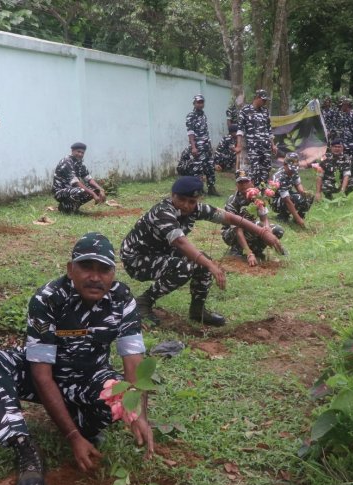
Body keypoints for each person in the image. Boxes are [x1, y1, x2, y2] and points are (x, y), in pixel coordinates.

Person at [0, 232, 154, 485]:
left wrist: (138, 412)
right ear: (71, 270)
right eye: (86, 267)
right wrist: (71, 437)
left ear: (113, 273)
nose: (95, 277)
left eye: (103, 269)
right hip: (43, 374)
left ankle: (85, 427)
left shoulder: (122, 298)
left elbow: (133, 361)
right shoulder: (48, 299)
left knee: (118, 395)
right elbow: (41, 373)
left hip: (89, 375)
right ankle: (26, 449)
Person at [121, 176, 285, 327]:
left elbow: (230, 218)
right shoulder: (163, 212)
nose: (186, 205)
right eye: (181, 199)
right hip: (137, 258)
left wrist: (263, 232)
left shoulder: (195, 209)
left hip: (161, 252)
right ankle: (143, 302)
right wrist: (211, 265)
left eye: (191, 201)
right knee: (185, 267)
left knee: (202, 263)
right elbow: (180, 242)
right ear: (173, 195)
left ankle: (197, 310)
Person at [222, 169, 284, 265]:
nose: (243, 185)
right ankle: (237, 250)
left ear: (252, 182)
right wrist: (248, 253)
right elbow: (237, 229)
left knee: (277, 230)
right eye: (240, 182)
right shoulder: (232, 201)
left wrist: (267, 230)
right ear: (236, 184)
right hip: (232, 233)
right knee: (249, 225)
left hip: (250, 228)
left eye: (246, 181)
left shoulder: (257, 197)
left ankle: (257, 250)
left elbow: (264, 218)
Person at [236, 89, 277, 187]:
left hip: (265, 146)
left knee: (266, 169)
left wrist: (273, 145)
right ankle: (252, 192)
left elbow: (269, 129)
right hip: (253, 147)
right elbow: (240, 130)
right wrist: (238, 145)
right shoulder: (245, 111)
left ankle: (263, 192)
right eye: (263, 100)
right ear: (257, 98)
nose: (265, 102)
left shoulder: (265, 111)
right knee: (254, 170)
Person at [53, 142, 106, 213]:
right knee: (81, 191)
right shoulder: (66, 161)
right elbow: (76, 183)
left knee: (95, 190)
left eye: (82, 153)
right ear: (72, 151)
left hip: (72, 190)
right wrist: (93, 194)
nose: (80, 154)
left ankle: (72, 207)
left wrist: (100, 189)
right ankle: (65, 207)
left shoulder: (79, 163)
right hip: (60, 192)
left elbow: (88, 178)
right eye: (78, 151)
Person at [185, 94, 218, 195]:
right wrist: (193, 147)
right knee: (197, 169)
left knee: (210, 168)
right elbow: (190, 132)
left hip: (206, 146)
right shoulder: (191, 116)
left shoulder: (203, 115)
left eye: (202, 102)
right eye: (198, 102)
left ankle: (211, 188)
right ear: (194, 103)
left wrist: (210, 146)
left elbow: (206, 132)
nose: (200, 104)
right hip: (198, 147)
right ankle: (198, 190)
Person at [270, 152, 311, 226]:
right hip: (277, 200)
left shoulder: (294, 171)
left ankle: (299, 217)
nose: (293, 170)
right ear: (284, 164)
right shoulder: (280, 177)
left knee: (308, 197)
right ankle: (283, 216)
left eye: (295, 167)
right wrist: (298, 219)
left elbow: (298, 184)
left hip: (287, 195)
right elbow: (287, 201)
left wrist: (303, 193)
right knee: (294, 199)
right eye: (291, 168)